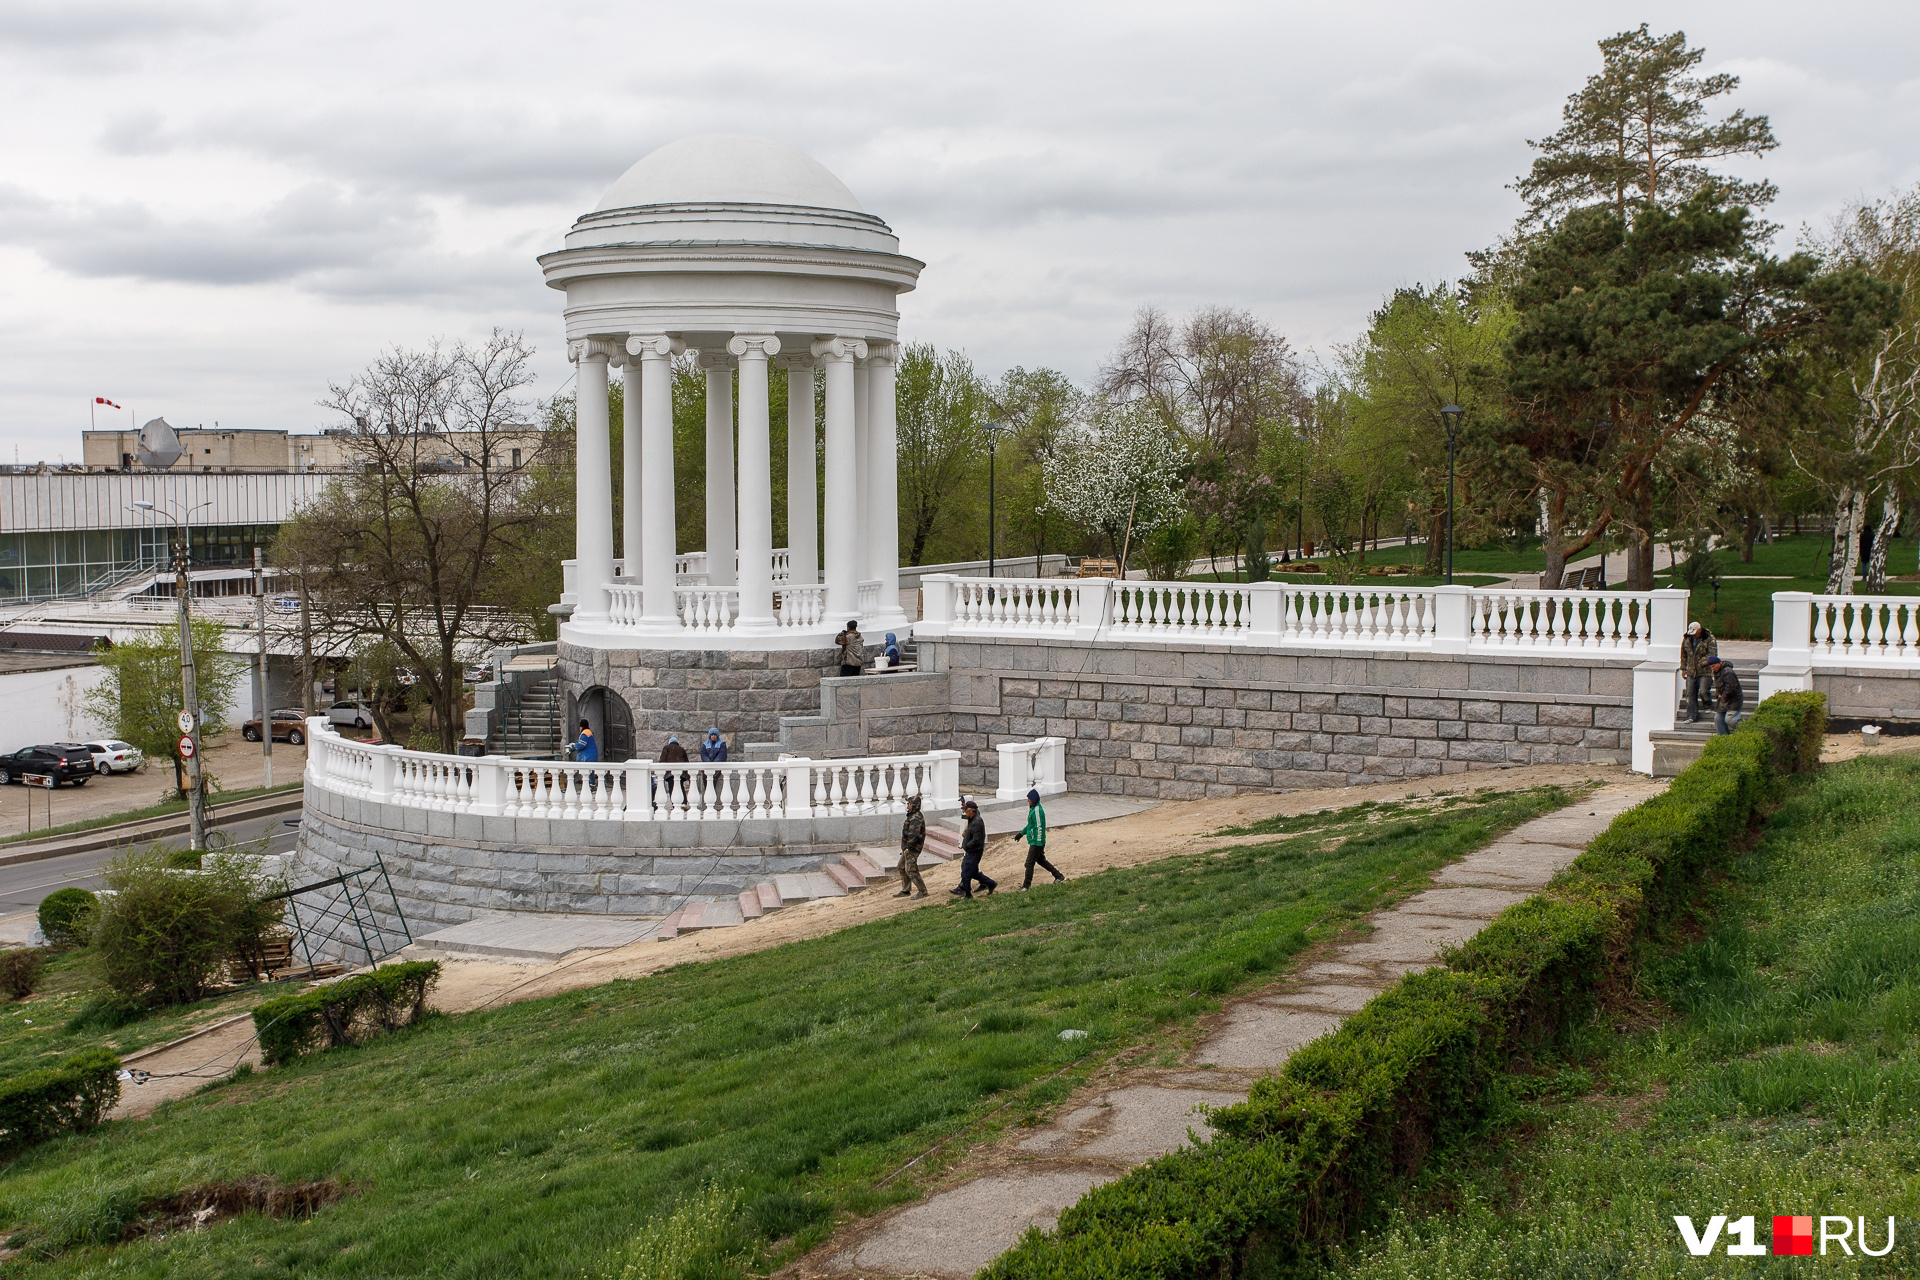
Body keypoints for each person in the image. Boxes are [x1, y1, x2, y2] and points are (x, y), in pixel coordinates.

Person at [949, 798, 996, 898]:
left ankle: (968, 895)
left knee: (965, 873)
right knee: (973, 873)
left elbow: (976, 839)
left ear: (971, 811)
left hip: (974, 852)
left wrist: (966, 846)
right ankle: (991, 883)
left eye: (966, 810)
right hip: (972, 851)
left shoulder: (977, 822)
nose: (965, 812)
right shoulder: (972, 819)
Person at [1020, 788, 1064, 889]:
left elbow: (1039, 827)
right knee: (1041, 860)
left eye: (1029, 799)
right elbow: (1031, 825)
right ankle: (1058, 876)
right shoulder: (1033, 810)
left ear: (1033, 799)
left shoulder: (1037, 811)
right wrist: (1021, 833)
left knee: (1029, 864)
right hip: (1036, 842)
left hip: (1037, 842)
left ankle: (1026, 886)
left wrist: (1038, 842)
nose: (1028, 800)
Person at [1680, 621, 1718, 723]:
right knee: (1690, 693)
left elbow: (1712, 654)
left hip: (1705, 671)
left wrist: (1702, 662)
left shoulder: (1709, 639)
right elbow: (1684, 654)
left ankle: (1707, 704)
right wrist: (1683, 668)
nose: (1693, 634)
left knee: (1704, 690)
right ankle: (1691, 715)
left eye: (1695, 632)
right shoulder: (1687, 639)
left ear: (1700, 630)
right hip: (1691, 671)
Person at [896, 795, 928, 898]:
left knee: (911, 869)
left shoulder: (916, 818)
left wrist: (909, 848)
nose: (907, 805)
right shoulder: (912, 816)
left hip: (912, 849)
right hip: (907, 848)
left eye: (909, 803)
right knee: (901, 866)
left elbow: (913, 835)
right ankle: (906, 890)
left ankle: (923, 891)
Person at [1711, 656, 1745, 735]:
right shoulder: (1717, 672)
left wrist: (1722, 697)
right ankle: (1725, 738)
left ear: (1719, 663)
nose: (1712, 668)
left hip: (1734, 700)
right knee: (1718, 719)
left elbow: (1730, 688)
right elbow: (1718, 686)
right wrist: (1718, 695)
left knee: (1730, 719)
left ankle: (1747, 728)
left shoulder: (1727, 671)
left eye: (1713, 666)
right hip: (1724, 700)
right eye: (1710, 667)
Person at [657, 734, 689, 805]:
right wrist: (686, 774)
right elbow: (687, 762)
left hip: (670, 773)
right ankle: (684, 803)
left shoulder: (666, 748)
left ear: (669, 742)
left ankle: (674, 804)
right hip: (681, 773)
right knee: (680, 787)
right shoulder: (682, 749)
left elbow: (662, 759)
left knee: (672, 787)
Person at [699, 726, 728, 802]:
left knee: (714, 776)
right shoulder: (705, 744)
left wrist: (715, 763)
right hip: (708, 766)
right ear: (709, 736)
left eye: (715, 735)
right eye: (712, 735)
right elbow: (703, 754)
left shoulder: (722, 743)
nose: (713, 736)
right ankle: (707, 794)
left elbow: (722, 755)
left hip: (718, 766)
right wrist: (707, 762)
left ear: (717, 736)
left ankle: (712, 796)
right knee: (705, 776)